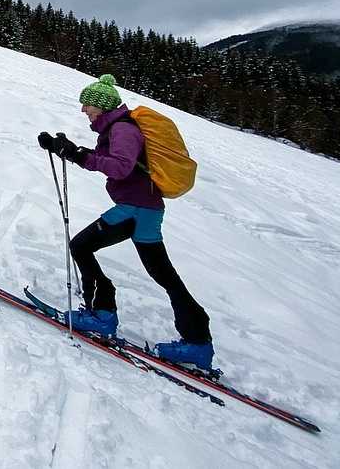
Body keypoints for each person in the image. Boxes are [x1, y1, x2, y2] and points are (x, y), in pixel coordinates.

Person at [37, 74, 214, 369]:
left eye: (87, 104)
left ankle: (101, 315)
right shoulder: (116, 128)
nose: (84, 110)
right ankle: (198, 343)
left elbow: (120, 168)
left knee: (81, 246)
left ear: (102, 106)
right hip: (145, 208)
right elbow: (107, 159)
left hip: (134, 208)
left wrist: (79, 155)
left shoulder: (122, 129)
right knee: (164, 275)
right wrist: (63, 148)